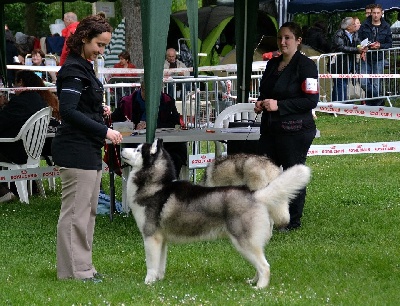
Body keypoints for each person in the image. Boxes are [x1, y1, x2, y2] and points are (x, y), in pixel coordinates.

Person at [51, 14, 121, 282]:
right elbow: (67, 111)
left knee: (87, 213)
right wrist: (105, 130)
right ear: (84, 39)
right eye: (99, 45)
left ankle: (84, 267)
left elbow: (80, 106)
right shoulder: (73, 70)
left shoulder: (84, 67)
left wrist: (97, 109)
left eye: (104, 46)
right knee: (75, 215)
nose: (101, 51)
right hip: (75, 150)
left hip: (88, 150)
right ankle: (73, 272)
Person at [254, 22, 318, 231]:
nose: (283, 42)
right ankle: (268, 217)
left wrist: (279, 105)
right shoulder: (272, 64)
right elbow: (266, 92)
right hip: (270, 129)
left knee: (292, 174)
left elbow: (311, 101)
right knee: (265, 173)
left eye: (288, 38)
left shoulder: (307, 66)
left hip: (296, 130)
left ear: (298, 41)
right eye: (280, 37)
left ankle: (292, 221)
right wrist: (260, 102)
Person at [111, 78, 187, 177]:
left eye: (157, 91)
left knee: (175, 156)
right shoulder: (127, 102)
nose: (153, 95)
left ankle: (167, 185)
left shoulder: (167, 101)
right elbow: (115, 123)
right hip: (136, 146)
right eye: (148, 91)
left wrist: (152, 125)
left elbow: (175, 123)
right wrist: (131, 126)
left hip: (165, 145)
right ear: (141, 88)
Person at [0, 70, 49, 203]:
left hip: (18, 151)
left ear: (21, 83)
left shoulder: (19, 102)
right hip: (34, 151)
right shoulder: (40, 100)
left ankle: (2, 192)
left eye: (15, 84)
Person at [358, 4, 392, 106]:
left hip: (379, 58)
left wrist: (380, 45)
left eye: (378, 13)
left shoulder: (386, 26)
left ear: (381, 13)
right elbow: (358, 40)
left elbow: (389, 43)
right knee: (363, 82)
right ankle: (380, 100)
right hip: (366, 57)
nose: (376, 15)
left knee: (376, 83)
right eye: (374, 13)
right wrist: (362, 48)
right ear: (371, 13)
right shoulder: (364, 25)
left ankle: (373, 105)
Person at [331, 17, 366, 102]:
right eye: (354, 24)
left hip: (350, 62)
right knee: (340, 84)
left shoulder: (355, 33)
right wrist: (356, 50)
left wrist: (362, 47)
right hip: (339, 63)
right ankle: (340, 106)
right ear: (348, 27)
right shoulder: (339, 34)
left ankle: (337, 105)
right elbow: (341, 47)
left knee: (344, 83)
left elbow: (357, 43)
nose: (356, 26)